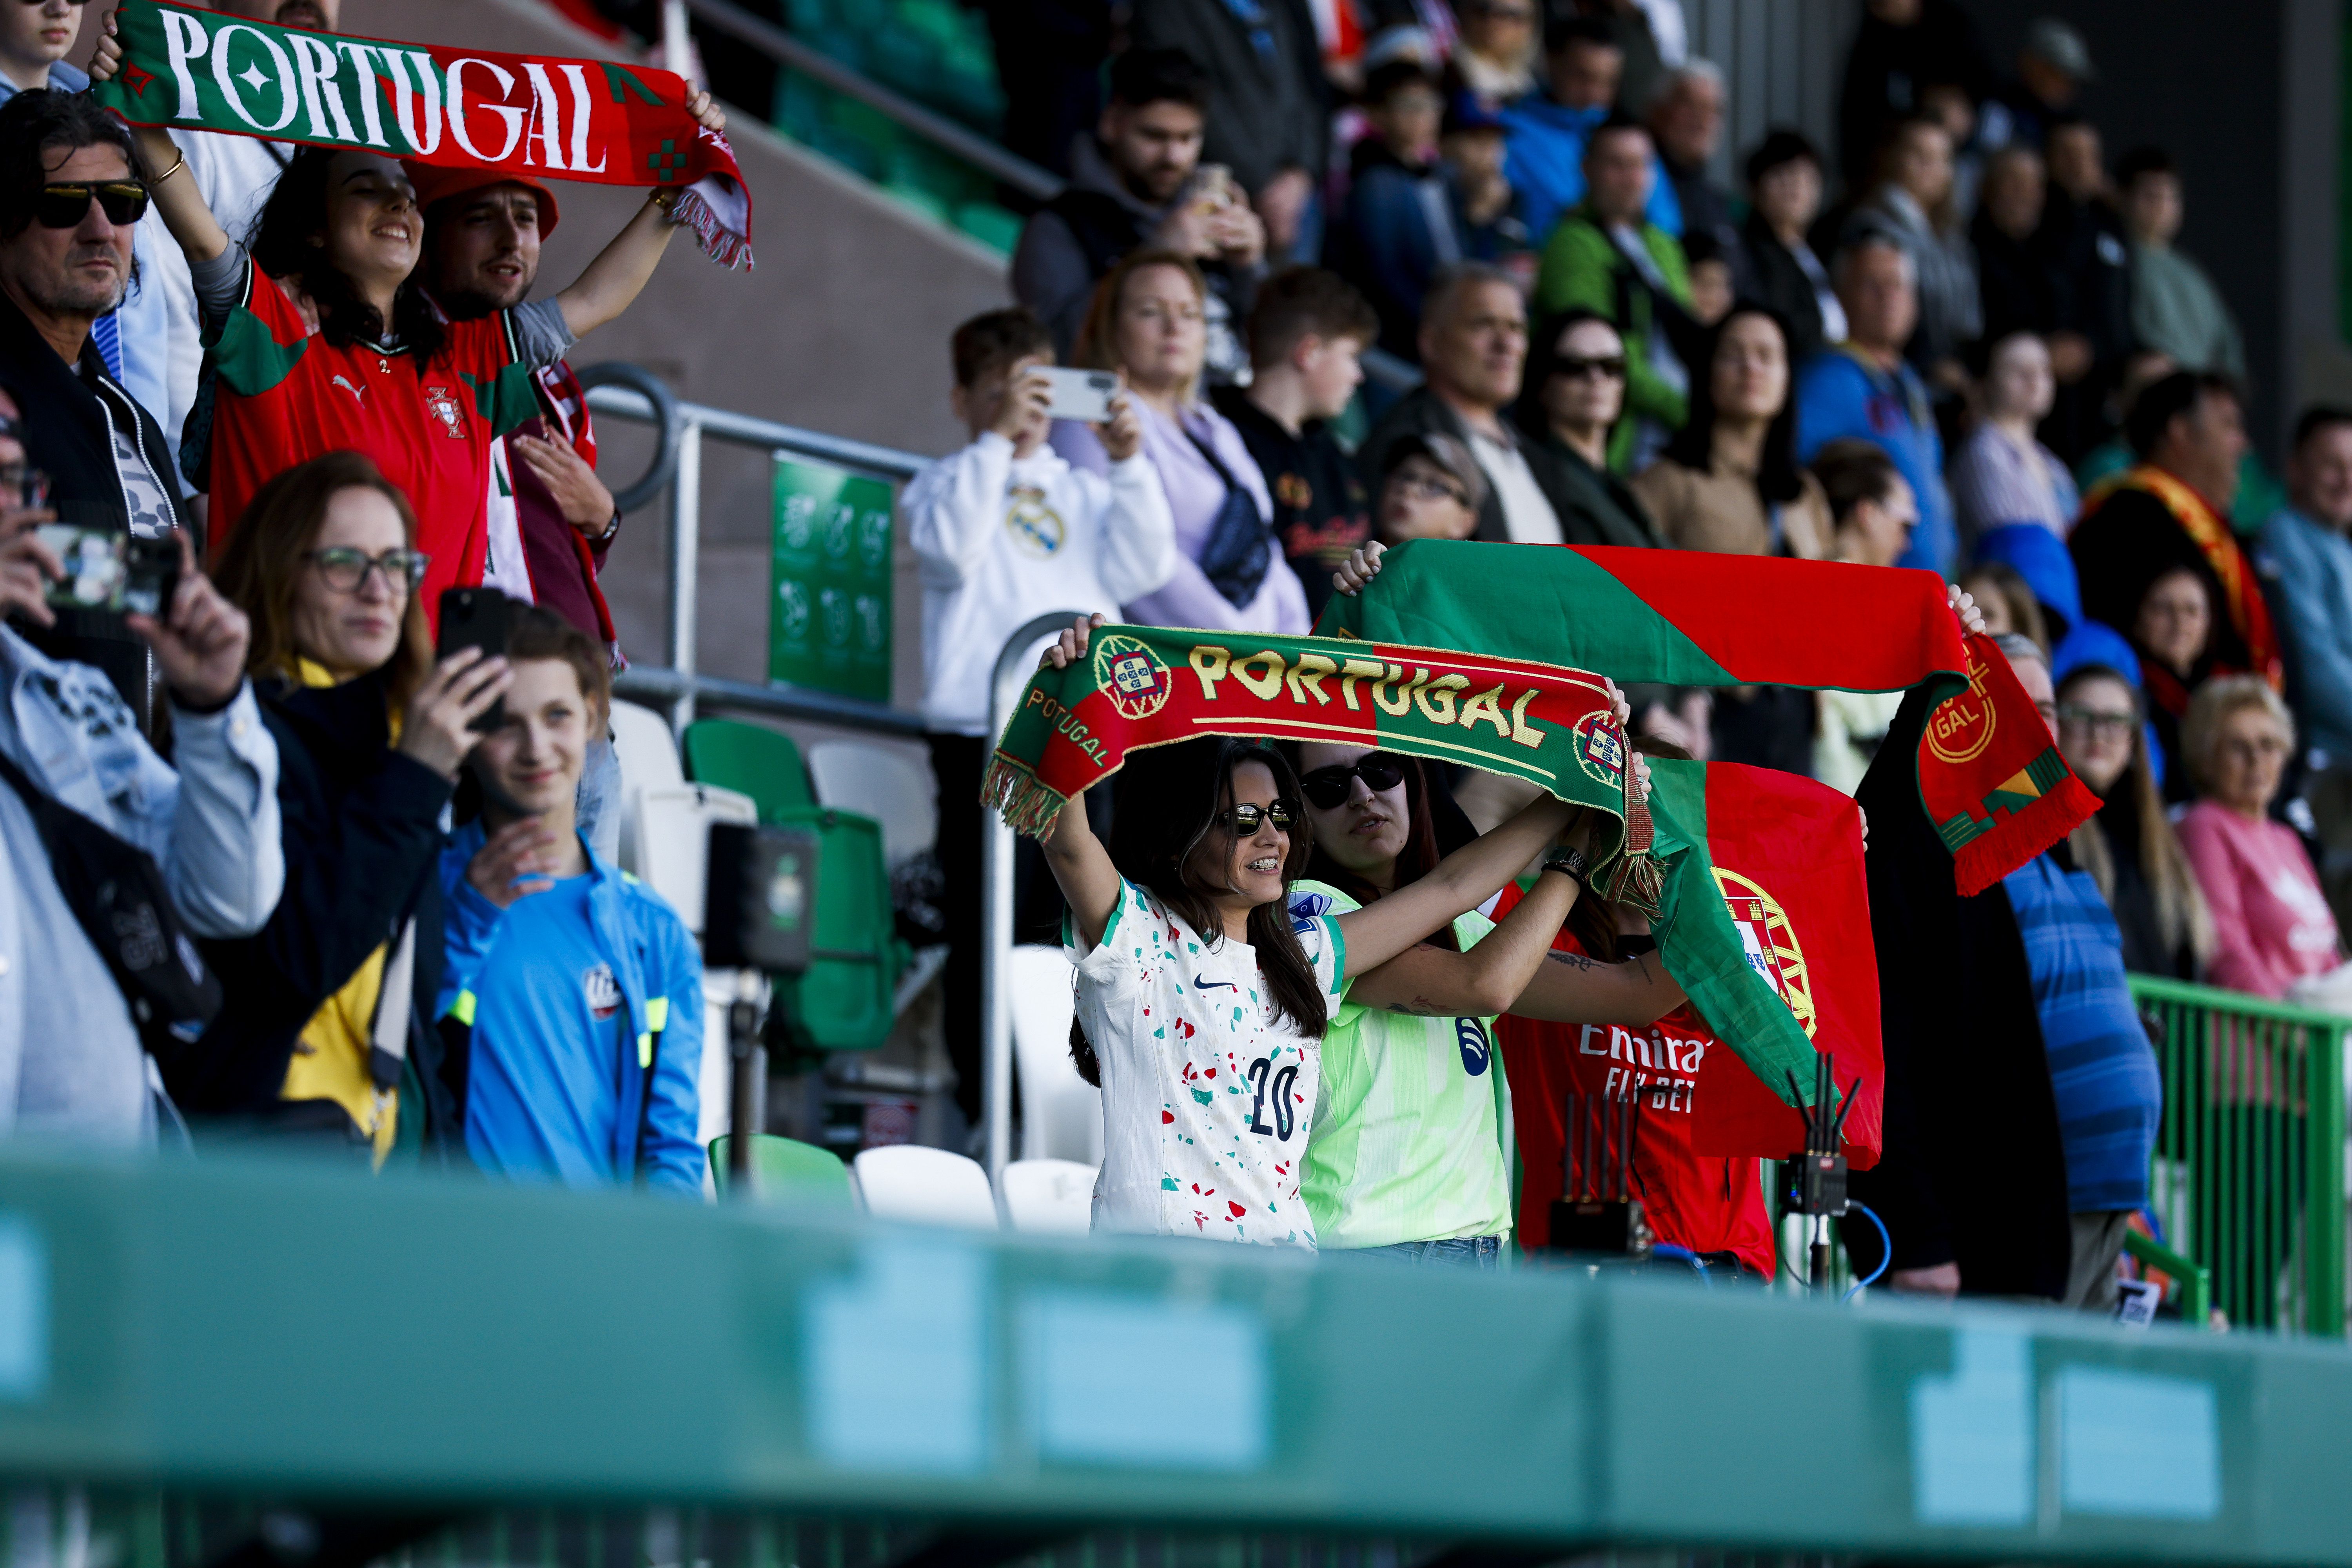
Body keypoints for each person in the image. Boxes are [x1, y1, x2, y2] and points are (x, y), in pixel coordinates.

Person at [98, 20, 730, 618]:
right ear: (314, 229)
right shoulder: (272, 334)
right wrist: (137, 101)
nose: (398, 201)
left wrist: (677, 189)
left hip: (422, 714)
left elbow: (597, 299)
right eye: (366, 188)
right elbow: (198, 229)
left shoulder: (469, 358)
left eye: (405, 192)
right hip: (287, 707)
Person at [1033, 614, 1590, 1245]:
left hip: (1283, 1286)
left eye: (1280, 813)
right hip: (1164, 1282)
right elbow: (1068, 840)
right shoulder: (1140, 942)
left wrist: (1578, 797)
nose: (1271, 835)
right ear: (1177, 835)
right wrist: (1068, 703)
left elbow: (1449, 889)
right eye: (1243, 819)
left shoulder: (1308, 957)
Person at [184, 453, 504, 1157]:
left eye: (396, 565)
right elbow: (291, 963)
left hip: (383, 1168)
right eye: (342, 562)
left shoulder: (400, 741)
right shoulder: (233, 733)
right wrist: (415, 776)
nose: (377, 589)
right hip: (269, 1161)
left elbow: (413, 1025)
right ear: (279, 574)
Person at [906, 305, 1173, 1130]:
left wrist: (1130, 460)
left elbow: (1147, 562)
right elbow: (949, 548)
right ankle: (990, 1103)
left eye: (1038, 387)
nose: (1026, 406)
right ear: (964, 398)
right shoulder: (946, 481)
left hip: (1088, 731)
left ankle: (1081, 1102)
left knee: (1088, 915)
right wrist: (994, 444)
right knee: (990, 921)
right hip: (981, 732)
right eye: (1003, 389)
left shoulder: (1087, 490)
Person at [0, 390, 283, 1143]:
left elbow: (230, 898)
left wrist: (214, 709)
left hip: (95, 1217)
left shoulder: (68, 702)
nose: (13, 517)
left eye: (17, 488)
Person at [1851, 632, 2160, 1310]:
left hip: (2085, 1205)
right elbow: (1887, 1048)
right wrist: (1919, 1230)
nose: (2039, 725)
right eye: (2019, 703)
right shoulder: (1925, 852)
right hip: (1982, 1228)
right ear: (1966, 719)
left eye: (2049, 709)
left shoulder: (2057, 851)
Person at [1286, 739, 1682, 1260]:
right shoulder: (1304, 914)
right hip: (1368, 1252)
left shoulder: (1463, 929)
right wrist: (1577, 846)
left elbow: (1635, 994)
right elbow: (1485, 982)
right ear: (1297, 816)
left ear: (1414, 781)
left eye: (1382, 770)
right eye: (1329, 787)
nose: (1362, 795)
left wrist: (1756, 904)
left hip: (1474, 1251)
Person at [441, 607, 704, 1193]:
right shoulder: (424, 889)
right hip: (452, 1264)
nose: (536, 748)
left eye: (557, 716)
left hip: (595, 1270)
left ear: (592, 719)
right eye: (509, 723)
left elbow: (672, 1151)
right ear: (472, 733)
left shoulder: (653, 932)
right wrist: (466, 920)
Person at [0, 91, 193, 727]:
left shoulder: (132, 421)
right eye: (64, 206)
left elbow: (132, 615)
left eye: (122, 202)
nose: (101, 229)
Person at [1056, 250, 1305, 631]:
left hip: (1258, 667)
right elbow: (1135, 562)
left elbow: (1266, 549)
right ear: (1111, 326)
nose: (1175, 327)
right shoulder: (1089, 422)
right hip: (1174, 663)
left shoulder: (1214, 427)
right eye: (1151, 311)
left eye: (1190, 313)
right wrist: (1240, 648)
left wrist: (1299, 649)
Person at [1011, 50, 1267, 380]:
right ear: (1112, 124)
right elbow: (1057, 351)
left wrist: (1251, 268)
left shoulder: (1211, 214)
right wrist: (1156, 258)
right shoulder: (1061, 226)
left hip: (1223, 421)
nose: (1173, 156)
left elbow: (1273, 356)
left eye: (1188, 138)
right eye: (1154, 136)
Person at [2071, 372, 2279, 701]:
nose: (2243, 444)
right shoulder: (2125, 519)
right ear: (2181, 432)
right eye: (2228, 426)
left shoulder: (2211, 524)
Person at [1357, 262, 1562, 544]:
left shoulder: (1535, 451)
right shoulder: (1400, 442)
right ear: (1431, 342)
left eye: (1516, 327)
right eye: (1484, 325)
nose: (1506, 344)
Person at [1533, 114, 1693, 471]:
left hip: (1675, 437)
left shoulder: (1665, 246)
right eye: (1616, 165)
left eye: (1640, 165)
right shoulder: (1571, 244)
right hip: (1620, 442)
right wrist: (1688, 412)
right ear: (1587, 169)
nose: (1631, 179)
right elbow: (1595, 355)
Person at [1212, 269, 1373, 620]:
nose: (1358, 375)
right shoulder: (1221, 441)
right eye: (1350, 355)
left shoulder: (1334, 452)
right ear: (1310, 352)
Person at [1794, 233, 1955, 576]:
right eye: (1872, 284)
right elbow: (1798, 483)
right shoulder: (1828, 379)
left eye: (1898, 285)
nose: (1888, 297)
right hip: (1867, 586)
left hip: (1927, 586)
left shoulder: (1910, 382)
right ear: (1840, 295)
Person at [2176, 677, 2344, 1000]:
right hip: (2258, 1036)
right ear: (2207, 759)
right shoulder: (2205, 825)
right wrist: (2294, 1033)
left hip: (2318, 1034)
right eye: (2238, 747)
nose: (2257, 760)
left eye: (2269, 745)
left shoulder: (2286, 839)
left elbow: (2328, 954)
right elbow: (2225, 950)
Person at [1127, 0, 1327, 261]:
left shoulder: (1277, 6)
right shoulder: (1170, 9)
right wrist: (1262, 185)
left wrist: (1299, 172)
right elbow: (1188, 105)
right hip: (1222, 196)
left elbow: (1304, 88)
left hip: (1296, 196)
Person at [2055, 662, 2212, 980]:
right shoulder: (2044, 833)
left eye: (2116, 721)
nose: (2098, 734)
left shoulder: (2157, 840)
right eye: (2081, 716)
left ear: (2133, 741)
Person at [1635, 306, 1829, 558]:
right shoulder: (1667, 482)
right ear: (1707, 372)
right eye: (1732, 354)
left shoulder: (1805, 491)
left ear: (1788, 379)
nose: (1751, 368)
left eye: (1766, 356)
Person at [2263, 408, 2352, 933]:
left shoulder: (2341, 545)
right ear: (2295, 469)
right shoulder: (2287, 535)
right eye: (2331, 465)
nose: (2346, 480)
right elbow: (2316, 670)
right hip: (2323, 771)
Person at [1500, 17, 1674, 247]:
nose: (1595, 94)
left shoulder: (1626, 136)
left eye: (1608, 82)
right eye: (1583, 77)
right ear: (1551, 63)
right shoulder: (1510, 131)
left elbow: (1666, 226)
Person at [1328, 62, 1457, 362]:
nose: (1422, 117)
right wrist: (1436, 323)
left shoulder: (1444, 177)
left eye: (1430, 105)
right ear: (1378, 115)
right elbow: (1383, 273)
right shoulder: (1374, 183)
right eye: (1408, 106)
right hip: (1401, 337)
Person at [1842, 116, 1978, 395]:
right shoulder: (1872, 226)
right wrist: (1934, 365)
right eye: (1919, 155)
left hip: (1951, 378)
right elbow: (1879, 312)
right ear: (1893, 158)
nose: (1931, 168)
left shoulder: (1951, 236)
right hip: (1894, 377)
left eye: (1942, 158)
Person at [1810, 439, 1916, 793]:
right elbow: (1839, 725)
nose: (1907, 544)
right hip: (1846, 799)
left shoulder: (1822, 588)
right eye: (1905, 526)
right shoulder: (1843, 595)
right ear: (1867, 514)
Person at [1513, 310, 1666, 548]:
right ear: (1541, 382)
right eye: (1574, 366)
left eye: (1612, 366)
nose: (1596, 378)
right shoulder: (1530, 475)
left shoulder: (1615, 484)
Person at [2037, 115, 2134, 464]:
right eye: (2068, 154)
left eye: (2088, 155)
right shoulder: (2033, 223)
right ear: (2048, 160)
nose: (2079, 166)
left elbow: (2121, 309)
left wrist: (2093, 346)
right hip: (2047, 383)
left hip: (2105, 385)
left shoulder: (2113, 223)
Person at [1834, 0, 1993, 194]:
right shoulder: (1869, 44)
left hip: (1963, 157)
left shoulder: (1954, 28)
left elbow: (1984, 89)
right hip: (1883, 174)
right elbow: (1853, 123)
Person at [2118, 146, 2244, 383]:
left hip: (2200, 395)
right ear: (2124, 197)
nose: (2161, 206)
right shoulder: (2115, 262)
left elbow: (2227, 345)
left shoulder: (2193, 274)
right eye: (2150, 196)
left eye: (2170, 196)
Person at [1951, 332, 2080, 548]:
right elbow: (2012, 544)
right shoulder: (1983, 452)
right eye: (2018, 371)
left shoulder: (2051, 462)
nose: (2035, 380)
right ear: (1985, 382)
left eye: (2044, 370)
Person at [1739, 130, 1846, 364]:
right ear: (1754, 186)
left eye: (1808, 178)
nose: (1796, 186)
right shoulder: (1746, 251)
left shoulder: (1816, 250)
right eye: (1782, 175)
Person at [1646, 60, 1741, 286]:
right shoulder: (1638, 182)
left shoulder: (1719, 203)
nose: (1704, 121)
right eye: (1691, 106)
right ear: (1657, 111)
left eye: (1714, 110)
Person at [1969, 146, 2060, 350]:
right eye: (2013, 182)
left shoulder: (2051, 249)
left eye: (2034, 185)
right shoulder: (1965, 250)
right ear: (1987, 188)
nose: (2024, 194)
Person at [1982, 17, 2096, 154]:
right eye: (2058, 74)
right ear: (2030, 63)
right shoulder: (1997, 109)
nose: (2066, 87)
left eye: (2072, 79)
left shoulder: (2058, 125)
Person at [1370, 431, 1485, 545]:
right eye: (1405, 477)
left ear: (1464, 523)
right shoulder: (1353, 553)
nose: (1409, 489)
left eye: (1434, 487)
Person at [1445, 0, 1539, 107]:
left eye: (1512, 14)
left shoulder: (1527, 80)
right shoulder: (1450, 68)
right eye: (1484, 10)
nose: (1495, 21)